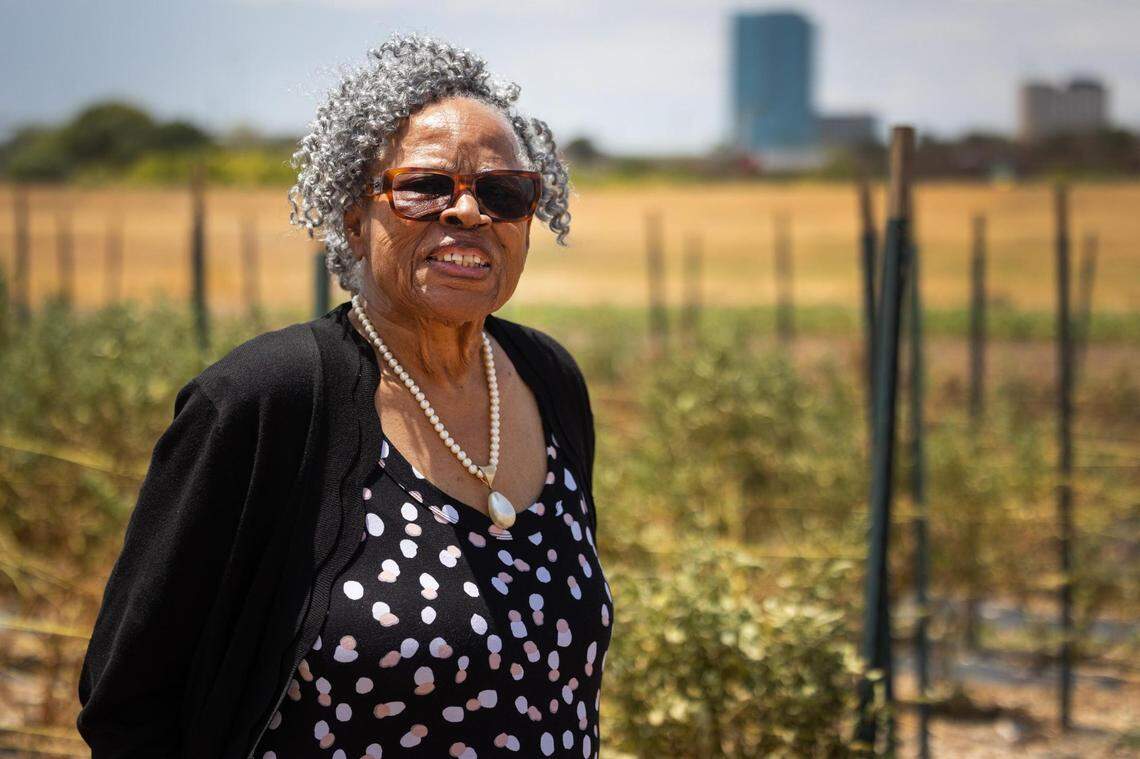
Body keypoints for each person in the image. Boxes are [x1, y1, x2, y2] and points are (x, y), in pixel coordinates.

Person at [76, 32, 612, 759]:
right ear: (355, 216)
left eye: (502, 192)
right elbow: (129, 704)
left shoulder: (548, 379)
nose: (466, 213)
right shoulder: (266, 401)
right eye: (424, 186)